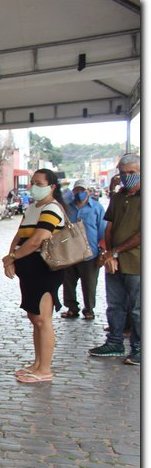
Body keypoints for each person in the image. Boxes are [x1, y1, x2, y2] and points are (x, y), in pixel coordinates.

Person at [2, 169, 66, 383]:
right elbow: (20, 235)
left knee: (42, 319)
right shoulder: (32, 208)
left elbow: (37, 240)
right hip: (29, 270)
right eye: (32, 182)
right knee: (34, 317)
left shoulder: (52, 208)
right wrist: (12, 255)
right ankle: (38, 363)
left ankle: (45, 369)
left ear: (52, 187)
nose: (34, 186)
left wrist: (12, 258)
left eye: (39, 183)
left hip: (44, 270)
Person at [89, 154, 141, 365]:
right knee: (115, 305)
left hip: (137, 262)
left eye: (132, 173)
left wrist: (115, 252)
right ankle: (115, 342)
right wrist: (109, 253)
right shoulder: (119, 197)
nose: (127, 177)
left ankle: (139, 348)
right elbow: (109, 225)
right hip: (115, 262)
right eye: (123, 173)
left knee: (138, 309)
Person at [59, 179, 106, 320]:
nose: (79, 192)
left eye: (82, 190)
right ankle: (71, 308)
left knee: (89, 283)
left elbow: (102, 229)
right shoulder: (67, 207)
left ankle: (89, 309)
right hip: (70, 252)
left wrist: (102, 251)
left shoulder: (97, 208)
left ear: (88, 191)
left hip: (90, 253)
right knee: (68, 282)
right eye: (77, 190)